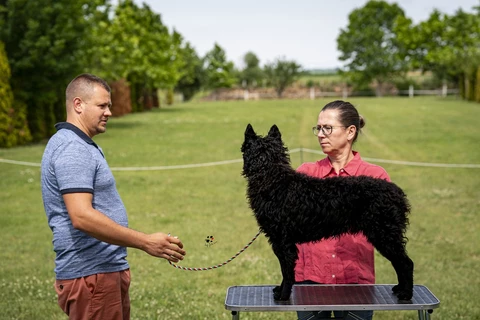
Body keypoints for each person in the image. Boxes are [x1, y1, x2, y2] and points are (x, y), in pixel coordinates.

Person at [41, 73, 186, 320]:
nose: (109, 112)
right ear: (78, 104)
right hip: (92, 278)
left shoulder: (81, 144)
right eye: (102, 105)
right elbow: (82, 216)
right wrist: (145, 241)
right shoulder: (72, 149)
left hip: (102, 274)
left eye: (109, 105)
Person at [295, 100, 390, 320]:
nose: (320, 134)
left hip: (355, 282)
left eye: (327, 128)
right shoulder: (305, 173)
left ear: (350, 132)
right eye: (318, 128)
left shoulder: (375, 177)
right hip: (310, 281)